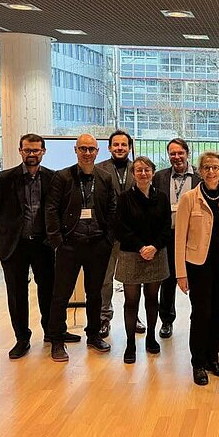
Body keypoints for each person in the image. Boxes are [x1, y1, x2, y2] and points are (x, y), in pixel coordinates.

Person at [0, 133, 80, 359]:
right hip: (14, 245)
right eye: (27, 150)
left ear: (43, 152)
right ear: (20, 151)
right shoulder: (4, 178)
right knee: (17, 293)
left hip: (43, 244)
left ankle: (51, 331)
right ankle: (22, 338)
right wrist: (10, 230)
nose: (32, 154)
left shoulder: (53, 178)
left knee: (49, 289)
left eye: (36, 150)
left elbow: (57, 210)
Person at [46, 134, 117, 362]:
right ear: (75, 150)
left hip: (98, 244)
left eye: (92, 149)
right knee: (61, 294)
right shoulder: (63, 177)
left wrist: (108, 239)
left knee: (95, 294)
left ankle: (93, 334)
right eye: (83, 149)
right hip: (70, 245)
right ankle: (57, 339)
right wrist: (57, 241)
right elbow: (51, 210)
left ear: (98, 152)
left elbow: (113, 209)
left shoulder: (104, 178)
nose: (87, 153)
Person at [175, 151, 219, 386]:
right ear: (200, 171)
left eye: (215, 167)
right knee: (201, 313)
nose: (211, 172)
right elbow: (179, 237)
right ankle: (198, 363)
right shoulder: (189, 199)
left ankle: (214, 358)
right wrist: (180, 273)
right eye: (206, 168)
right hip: (198, 265)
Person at [114, 156, 171, 364]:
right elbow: (120, 228)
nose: (143, 173)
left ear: (153, 172)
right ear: (133, 174)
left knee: (152, 298)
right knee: (131, 301)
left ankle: (151, 337)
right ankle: (130, 343)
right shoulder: (124, 198)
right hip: (131, 254)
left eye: (147, 169)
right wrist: (141, 247)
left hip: (156, 254)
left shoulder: (162, 198)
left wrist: (154, 247)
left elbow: (166, 228)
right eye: (139, 170)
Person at [153, 138, 200, 339]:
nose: (176, 157)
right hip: (168, 235)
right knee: (168, 278)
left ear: (187, 153)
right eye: (172, 153)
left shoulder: (199, 176)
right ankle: (166, 320)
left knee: (197, 278)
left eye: (180, 153)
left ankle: (198, 319)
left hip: (194, 237)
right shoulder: (159, 177)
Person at [95, 129, 139, 338]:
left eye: (124, 145)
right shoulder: (98, 169)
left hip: (133, 235)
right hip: (108, 234)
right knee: (105, 278)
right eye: (116, 145)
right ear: (109, 147)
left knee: (134, 278)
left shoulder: (139, 169)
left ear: (130, 148)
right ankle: (104, 318)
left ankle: (135, 315)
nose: (120, 148)